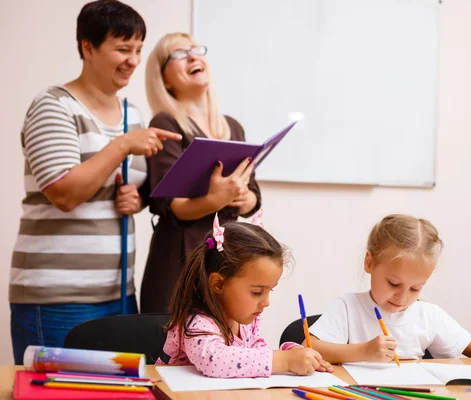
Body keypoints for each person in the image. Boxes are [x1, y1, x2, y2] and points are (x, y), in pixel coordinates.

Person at [9, 0, 181, 364]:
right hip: (57, 298)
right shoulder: (53, 105)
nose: (134, 60)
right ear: (88, 47)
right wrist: (121, 146)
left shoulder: (131, 113)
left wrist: (135, 199)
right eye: (122, 49)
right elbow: (65, 193)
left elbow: (117, 188)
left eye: (137, 49)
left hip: (118, 293)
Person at [308, 214, 471, 375]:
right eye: (394, 283)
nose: (403, 297)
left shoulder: (427, 314)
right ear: (369, 263)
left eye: (416, 288)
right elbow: (311, 346)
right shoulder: (348, 307)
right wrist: (363, 351)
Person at [141, 32, 261, 313]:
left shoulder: (232, 126)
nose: (194, 56)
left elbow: (253, 197)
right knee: (173, 352)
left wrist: (243, 197)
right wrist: (217, 198)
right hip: (180, 261)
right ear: (165, 80)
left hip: (227, 260)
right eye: (180, 54)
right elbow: (174, 207)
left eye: (196, 49)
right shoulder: (165, 122)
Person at [158, 214, 333, 377]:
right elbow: (214, 361)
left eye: (269, 290)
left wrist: (292, 353)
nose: (266, 302)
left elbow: (257, 351)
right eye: (257, 292)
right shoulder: (197, 323)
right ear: (218, 284)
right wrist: (285, 360)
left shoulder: (247, 320)